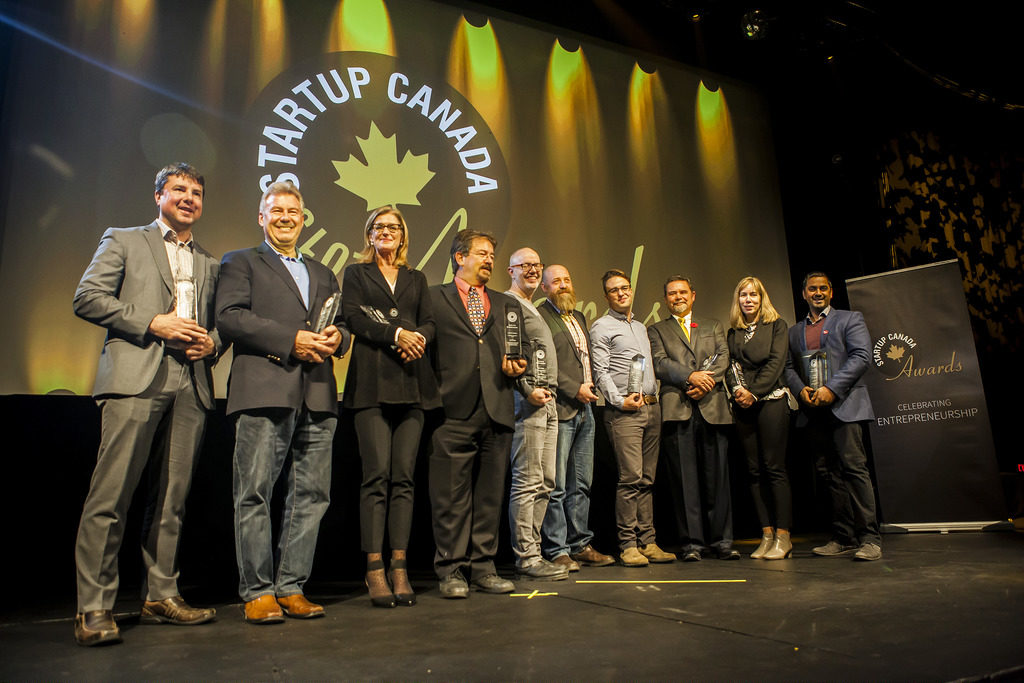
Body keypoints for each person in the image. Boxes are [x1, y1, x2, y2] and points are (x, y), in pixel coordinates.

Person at [72, 162, 220, 647]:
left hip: (190, 383)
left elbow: (219, 323)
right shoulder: (124, 239)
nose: (189, 198)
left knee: (171, 499)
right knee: (111, 497)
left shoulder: (210, 262)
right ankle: (94, 607)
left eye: (196, 192)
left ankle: (161, 594)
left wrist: (212, 344)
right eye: (179, 189)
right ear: (158, 194)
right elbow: (88, 298)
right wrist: (153, 322)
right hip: (137, 376)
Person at [216, 181, 351, 623]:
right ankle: (257, 591)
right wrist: (291, 340)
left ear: (304, 218)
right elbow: (231, 317)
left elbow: (342, 324)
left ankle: (291, 587)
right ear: (262, 217)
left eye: (294, 211)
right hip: (263, 389)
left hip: (318, 393)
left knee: (311, 495)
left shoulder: (323, 271)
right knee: (253, 493)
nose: (286, 217)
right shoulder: (240, 262)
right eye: (277, 210)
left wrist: (339, 337)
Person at [342, 206, 440, 607]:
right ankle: (374, 568)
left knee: (404, 479)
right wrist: (396, 333)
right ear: (369, 235)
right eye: (379, 227)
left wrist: (416, 336)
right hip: (370, 386)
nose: (386, 233)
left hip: (413, 386)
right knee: (376, 477)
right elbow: (352, 318)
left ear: (403, 237)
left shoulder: (417, 278)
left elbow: (431, 323)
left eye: (393, 228)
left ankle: (400, 566)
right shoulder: (355, 273)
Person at [427, 230, 527, 598]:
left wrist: (520, 364)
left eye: (491, 255)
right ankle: (451, 570)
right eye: (482, 254)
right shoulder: (434, 298)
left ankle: (483, 567)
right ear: (459, 257)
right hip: (451, 411)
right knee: (450, 497)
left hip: (497, 408)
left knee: (489, 496)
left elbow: (522, 347)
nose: (489, 260)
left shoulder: (506, 304)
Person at [784, 272, 881, 561]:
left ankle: (870, 538)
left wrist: (832, 388)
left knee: (854, 469)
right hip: (813, 410)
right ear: (804, 294)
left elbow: (862, 356)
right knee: (828, 474)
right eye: (812, 289)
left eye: (823, 288)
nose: (817, 293)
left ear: (830, 292)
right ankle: (843, 536)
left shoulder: (850, 319)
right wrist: (801, 391)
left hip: (845, 406)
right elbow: (788, 367)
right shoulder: (794, 331)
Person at [591, 270, 676, 567]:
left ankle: (648, 542)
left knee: (648, 479)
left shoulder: (641, 327)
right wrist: (618, 400)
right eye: (614, 290)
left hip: (652, 408)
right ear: (606, 296)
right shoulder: (601, 327)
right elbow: (600, 372)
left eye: (624, 288)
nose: (621, 293)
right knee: (630, 478)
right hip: (624, 413)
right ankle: (628, 544)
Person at [648, 276, 737, 562]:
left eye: (683, 292)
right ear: (666, 299)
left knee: (718, 477)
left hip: (713, 406)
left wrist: (705, 382)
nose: (678, 297)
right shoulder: (656, 330)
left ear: (693, 295)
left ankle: (722, 541)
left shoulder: (712, 325)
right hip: (677, 408)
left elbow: (723, 357)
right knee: (684, 481)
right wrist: (690, 377)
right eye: (672, 294)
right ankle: (692, 544)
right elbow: (660, 363)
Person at [537, 265, 615, 570]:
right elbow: (543, 363)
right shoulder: (541, 317)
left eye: (567, 279)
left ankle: (580, 543)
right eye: (556, 281)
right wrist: (573, 388)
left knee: (581, 482)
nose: (563, 285)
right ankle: (557, 549)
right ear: (544, 288)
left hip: (586, 409)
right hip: (560, 407)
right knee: (556, 484)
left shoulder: (579, 317)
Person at [504, 249, 568, 581]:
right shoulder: (508, 303)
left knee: (547, 481)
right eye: (524, 265)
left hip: (550, 401)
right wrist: (528, 389)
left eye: (536, 265)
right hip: (528, 402)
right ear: (510, 270)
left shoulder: (533, 306)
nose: (531, 270)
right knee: (527, 481)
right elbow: (509, 351)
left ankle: (535, 550)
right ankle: (526, 556)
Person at [726, 277, 794, 560]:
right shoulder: (733, 333)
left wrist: (753, 391)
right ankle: (766, 535)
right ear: (738, 300)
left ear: (762, 298)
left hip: (771, 400)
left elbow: (776, 364)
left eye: (754, 294)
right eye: (743, 295)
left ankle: (783, 536)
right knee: (753, 471)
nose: (749, 300)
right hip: (744, 405)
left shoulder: (777, 326)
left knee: (773, 468)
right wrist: (739, 390)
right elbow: (730, 366)